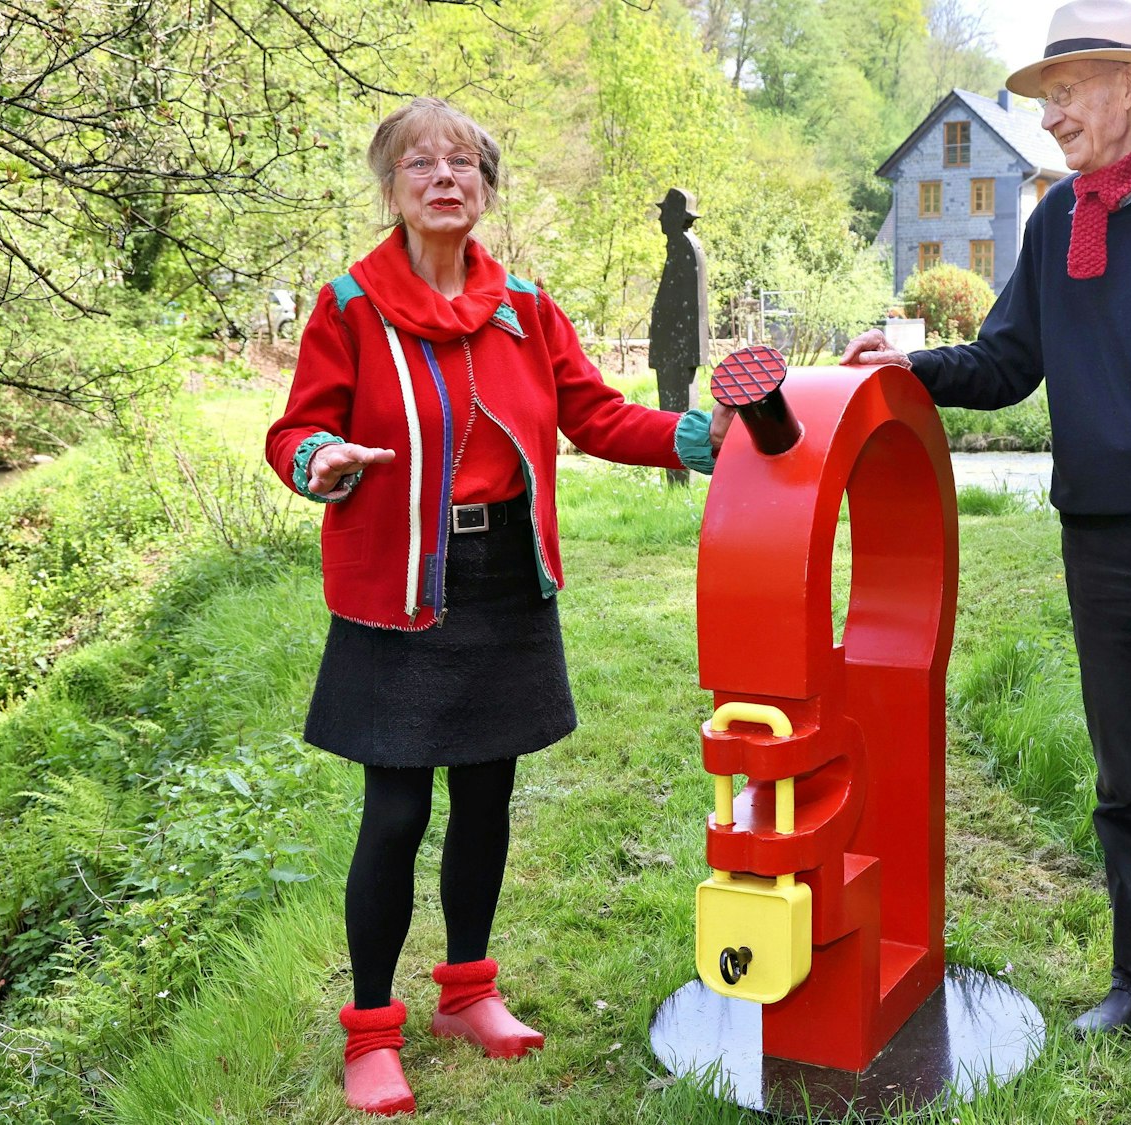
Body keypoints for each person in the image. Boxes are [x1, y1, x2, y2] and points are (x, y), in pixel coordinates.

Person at [842, 0, 1131, 1100]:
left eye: (1065, 92)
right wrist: (908, 369)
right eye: (1044, 96)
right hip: (1098, 538)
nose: (1048, 114)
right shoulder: (1058, 223)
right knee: (1121, 777)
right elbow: (1010, 361)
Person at [265, 97, 727, 1116]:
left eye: (465, 163)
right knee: (394, 813)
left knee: (486, 800)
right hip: (401, 588)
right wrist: (320, 461)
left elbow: (595, 413)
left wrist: (693, 438)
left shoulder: (524, 306)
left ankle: (468, 992)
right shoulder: (350, 306)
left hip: (506, 582)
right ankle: (371, 1033)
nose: (445, 178)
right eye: (420, 164)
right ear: (391, 189)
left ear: (485, 188)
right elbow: (297, 428)